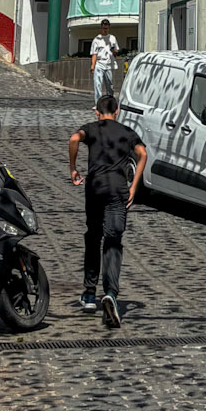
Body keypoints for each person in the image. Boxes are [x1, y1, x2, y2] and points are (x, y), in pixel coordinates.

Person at [69, 88, 145, 329]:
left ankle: (89, 294)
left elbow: (74, 139)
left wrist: (73, 168)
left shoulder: (91, 129)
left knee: (93, 236)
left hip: (95, 188)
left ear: (97, 112)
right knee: (113, 241)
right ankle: (111, 293)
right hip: (117, 191)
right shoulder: (127, 132)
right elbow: (142, 154)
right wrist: (134, 186)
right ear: (117, 112)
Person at [89, 19, 121, 106]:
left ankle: (110, 103)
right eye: (103, 28)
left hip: (109, 64)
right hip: (99, 63)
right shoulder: (97, 39)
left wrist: (113, 50)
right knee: (97, 84)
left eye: (106, 28)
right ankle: (98, 104)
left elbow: (116, 52)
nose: (105, 30)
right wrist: (93, 65)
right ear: (101, 28)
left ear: (109, 28)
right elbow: (94, 53)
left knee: (109, 85)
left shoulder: (112, 38)